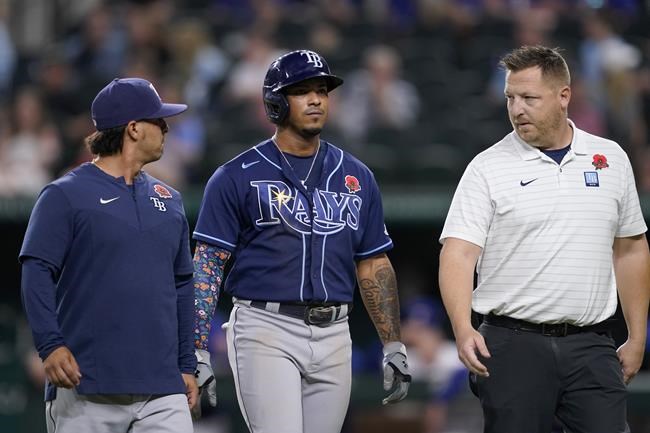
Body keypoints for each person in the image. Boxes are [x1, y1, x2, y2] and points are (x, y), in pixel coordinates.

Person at [191, 49, 411, 433]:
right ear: (275, 103)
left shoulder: (356, 174)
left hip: (336, 332)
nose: (316, 99)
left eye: (322, 90)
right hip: (265, 327)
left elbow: (374, 264)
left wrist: (393, 343)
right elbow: (207, 264)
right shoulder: (235, 176)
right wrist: (196, 346)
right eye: (302, 91)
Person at [438, 45, 650, 433]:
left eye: (529, 98)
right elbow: (458, 253)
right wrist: (461, 326)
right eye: (510, 98)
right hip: (510, 344)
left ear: (564, 95)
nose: (517, 108)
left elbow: (631, 247)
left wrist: (636, 336)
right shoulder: (486, 168)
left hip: (592, 345)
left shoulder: (611, 158)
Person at [19, 77, 198, 433]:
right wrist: (50, 345)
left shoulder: (171, 200)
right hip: (87, 385)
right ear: (133, 128)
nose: (166, 128)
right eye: (158, 120)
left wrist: (186, 363)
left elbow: (182, 285)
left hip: (162, 389)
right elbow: (36, 269)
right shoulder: (65, 194)